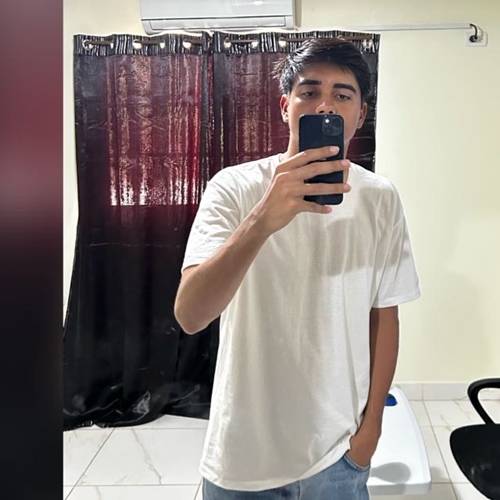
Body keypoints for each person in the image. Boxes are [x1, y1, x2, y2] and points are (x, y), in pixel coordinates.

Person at [174, 38, 420, 500]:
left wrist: (371, 429)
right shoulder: (234, 187)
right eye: (309, 92)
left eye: (342, 95)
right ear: (286, 106)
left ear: (360, 115)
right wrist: (262, 219)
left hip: (338, 451)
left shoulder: (380, 198)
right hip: (241, 453)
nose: (325, 105)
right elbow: (190, 314)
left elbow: (384, 316)